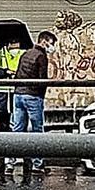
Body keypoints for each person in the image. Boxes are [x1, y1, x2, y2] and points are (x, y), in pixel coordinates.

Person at [7, 30, 57, 177]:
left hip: (18, 95)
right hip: (33, 96)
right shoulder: (41, 56)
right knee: (37, 130)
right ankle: (38, 164)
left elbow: (17, 75)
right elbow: (42, 79)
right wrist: (41, 96)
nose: (52, 47)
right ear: (45, 41)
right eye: (52, 44)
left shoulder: (25, 53)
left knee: (17, 130)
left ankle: (10, 163)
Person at [0, 38, 23, 175]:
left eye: (17, 44)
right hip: (1, 94)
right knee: (2, 127)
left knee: (20, 127)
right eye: (13, 43)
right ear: (7, 44)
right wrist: (4, 72)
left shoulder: (23, 54)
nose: (16, 47)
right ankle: (1, 161)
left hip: (16, 93)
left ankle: (25, 161)